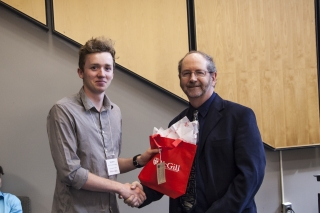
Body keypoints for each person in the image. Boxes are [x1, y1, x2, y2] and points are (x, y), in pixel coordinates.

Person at [125, 51, 266, 212]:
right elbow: (169, 175)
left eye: (199, 72)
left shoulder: (240, 117)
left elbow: (251, 176)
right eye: (186, 73)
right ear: (180, 79)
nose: (192, 79)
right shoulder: (176, 124)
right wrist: (142, 192)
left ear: (213, 77)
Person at [46, 37, 157, 213]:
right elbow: (71, 173)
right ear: (80, 72)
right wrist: (120, 188)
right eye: (94, 67)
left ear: (113, 73)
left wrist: (138, 160)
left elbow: (108, 164)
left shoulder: (115, 112)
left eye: (107, 68)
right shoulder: (62, 111)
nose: (101, 74)